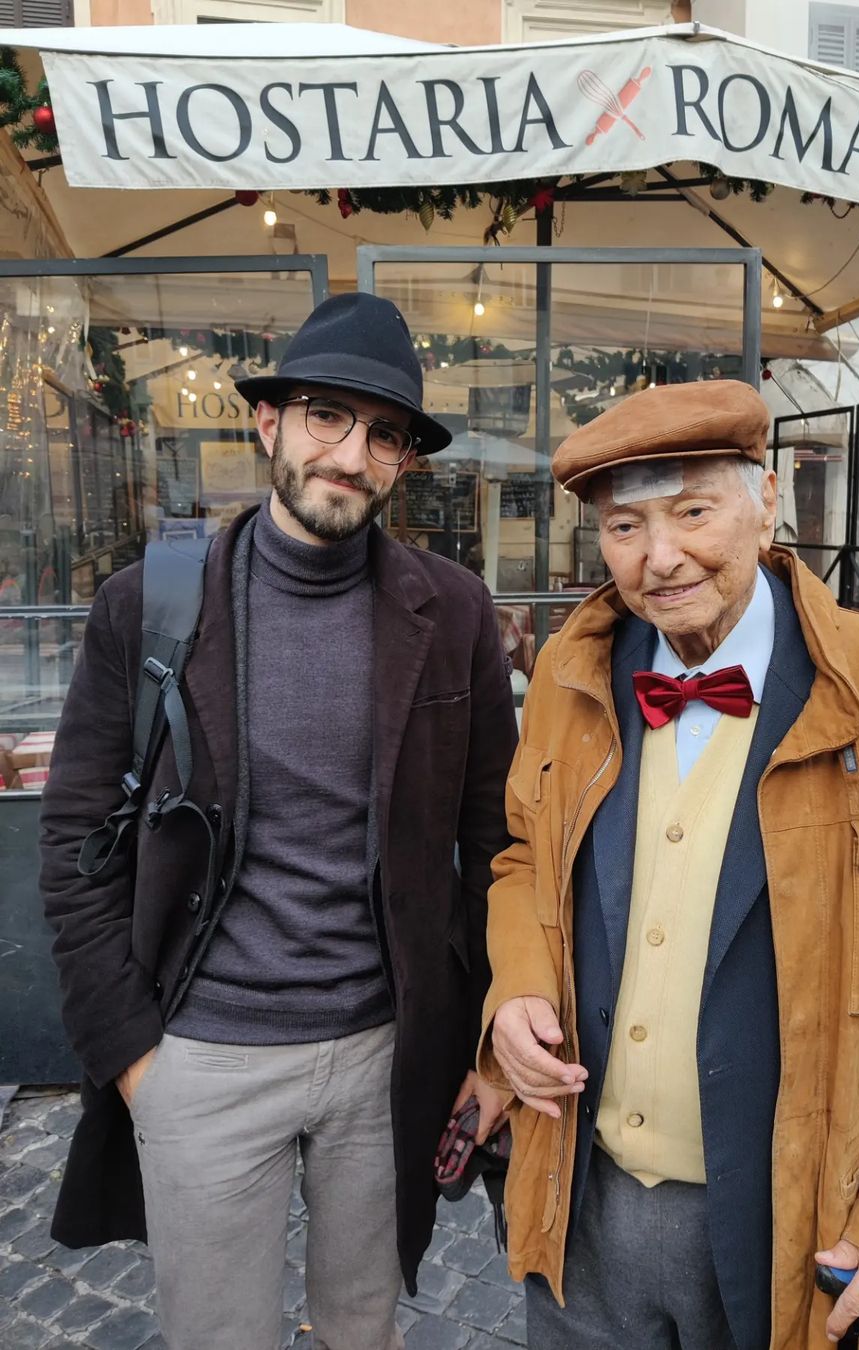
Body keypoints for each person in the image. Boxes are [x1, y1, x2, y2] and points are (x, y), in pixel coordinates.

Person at [480, 379, 859, 1350]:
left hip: (797, 1233)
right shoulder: (570, 676)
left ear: (766, 501)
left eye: (693, 512)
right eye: (624, 527)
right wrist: (518, 986)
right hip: (579, 1203)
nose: (659, 557)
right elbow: (527, 856)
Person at [40, 292, 517, 1350]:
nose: (350, 455)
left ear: (405, 462)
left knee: (363, 1328)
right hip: (202, 1054)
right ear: (268, 422)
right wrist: (135, 1061)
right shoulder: (149, 603)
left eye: (384, 434)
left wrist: (483, 1044)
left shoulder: (454, 612)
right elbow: (75, 843)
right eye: (326, 416)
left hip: (387, 1054)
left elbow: (496, 844)